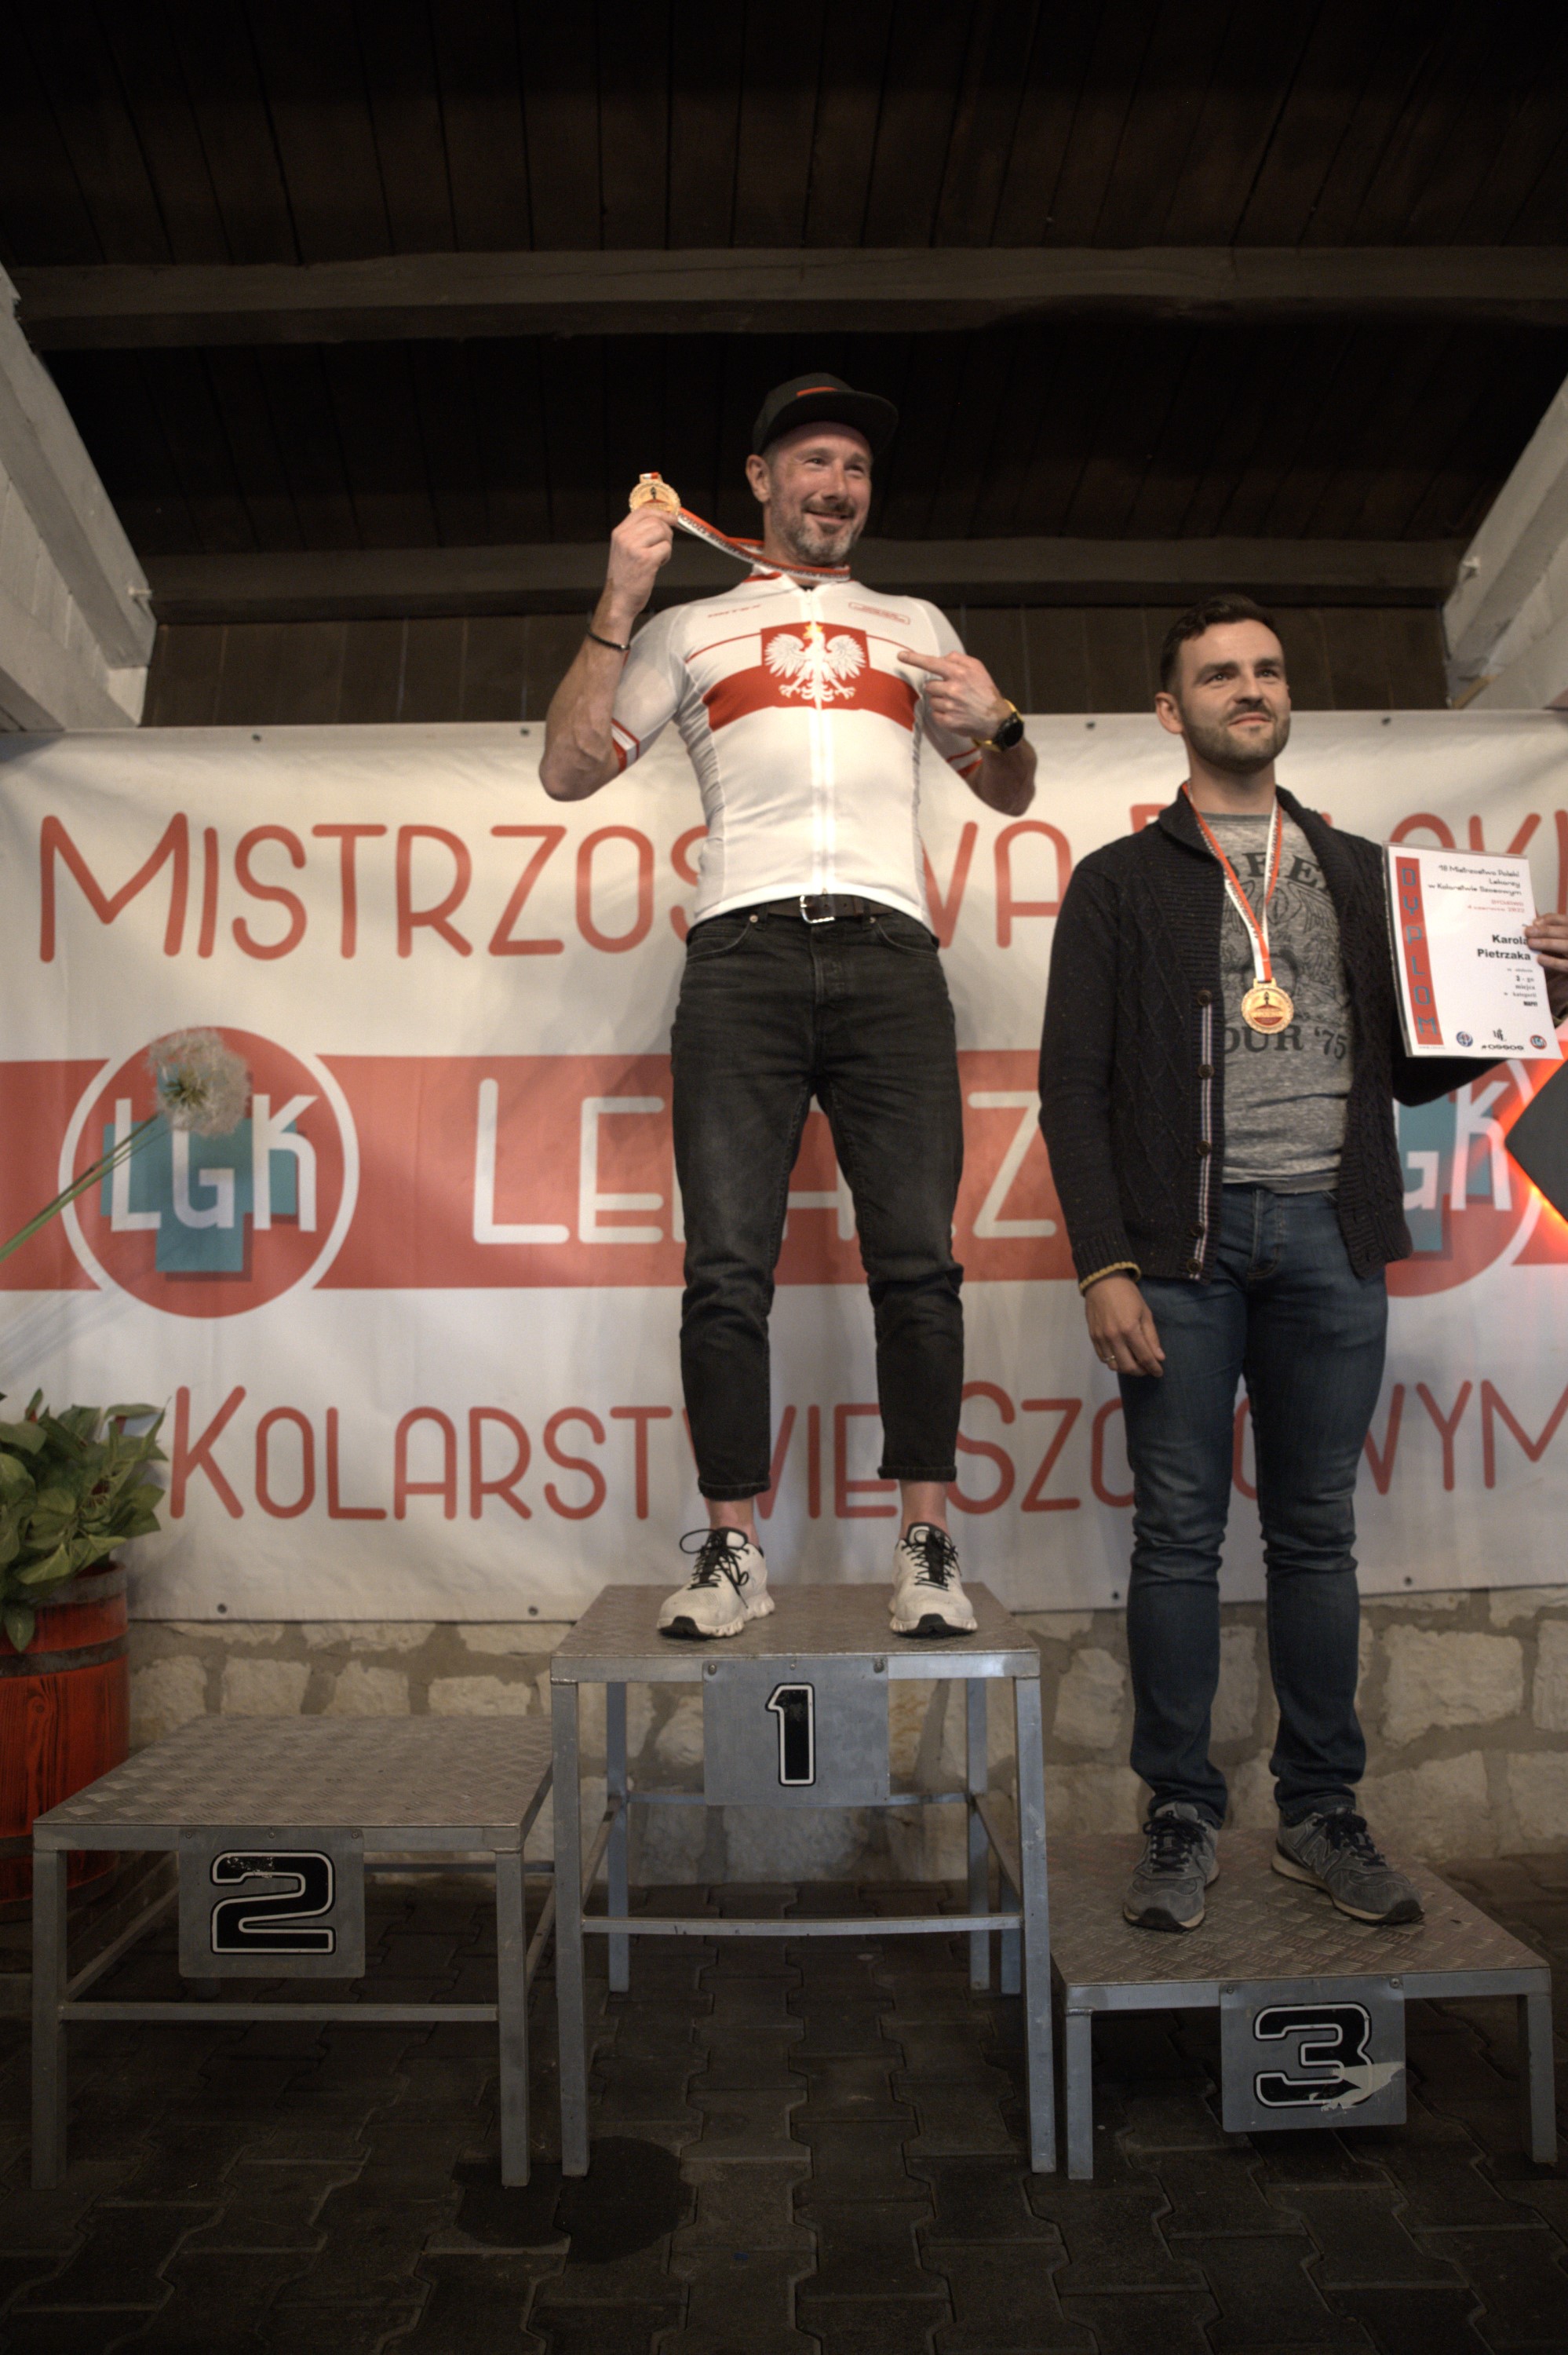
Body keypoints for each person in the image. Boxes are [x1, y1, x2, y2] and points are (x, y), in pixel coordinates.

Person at [1038, 593, 1568, 1933]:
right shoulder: (1117, 881)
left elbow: (1409, 1070)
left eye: (1267, 670)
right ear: (1171, 709)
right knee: (1176, 1536)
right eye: (1220, 673)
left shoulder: (1356, 870)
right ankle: (1178, 1811)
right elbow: (1071, 1089)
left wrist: (1537, 1000)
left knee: (1315, 1534)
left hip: (1333, 1238)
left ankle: (1320, 1811)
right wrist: (1102, 1264)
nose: (1249, 688)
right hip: (1179, 1251)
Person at [542, 373, 1036, 1639]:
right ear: (760, 481)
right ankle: (731, 1552)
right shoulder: (688, 630)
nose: (835, 486)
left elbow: (1007, 792)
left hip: (891, 956)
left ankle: (926, 1546)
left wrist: (1003, 722)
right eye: (812, 462)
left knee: (918, 1265)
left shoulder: (913, 621)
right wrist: (620, 599)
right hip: (742, 958)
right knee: (726, 1271)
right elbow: (566, 772)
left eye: (854, 468)